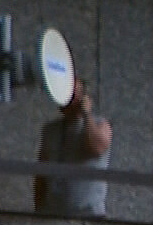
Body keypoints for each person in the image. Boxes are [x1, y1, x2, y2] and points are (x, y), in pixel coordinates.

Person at [35, 77, 112, 217]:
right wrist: (38, 208)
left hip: (88, 213)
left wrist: (86, 114)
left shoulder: (100, 125)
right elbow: (41, 172)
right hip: (52, 211)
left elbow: (96, 147)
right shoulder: (50, 130)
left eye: (73, 93)